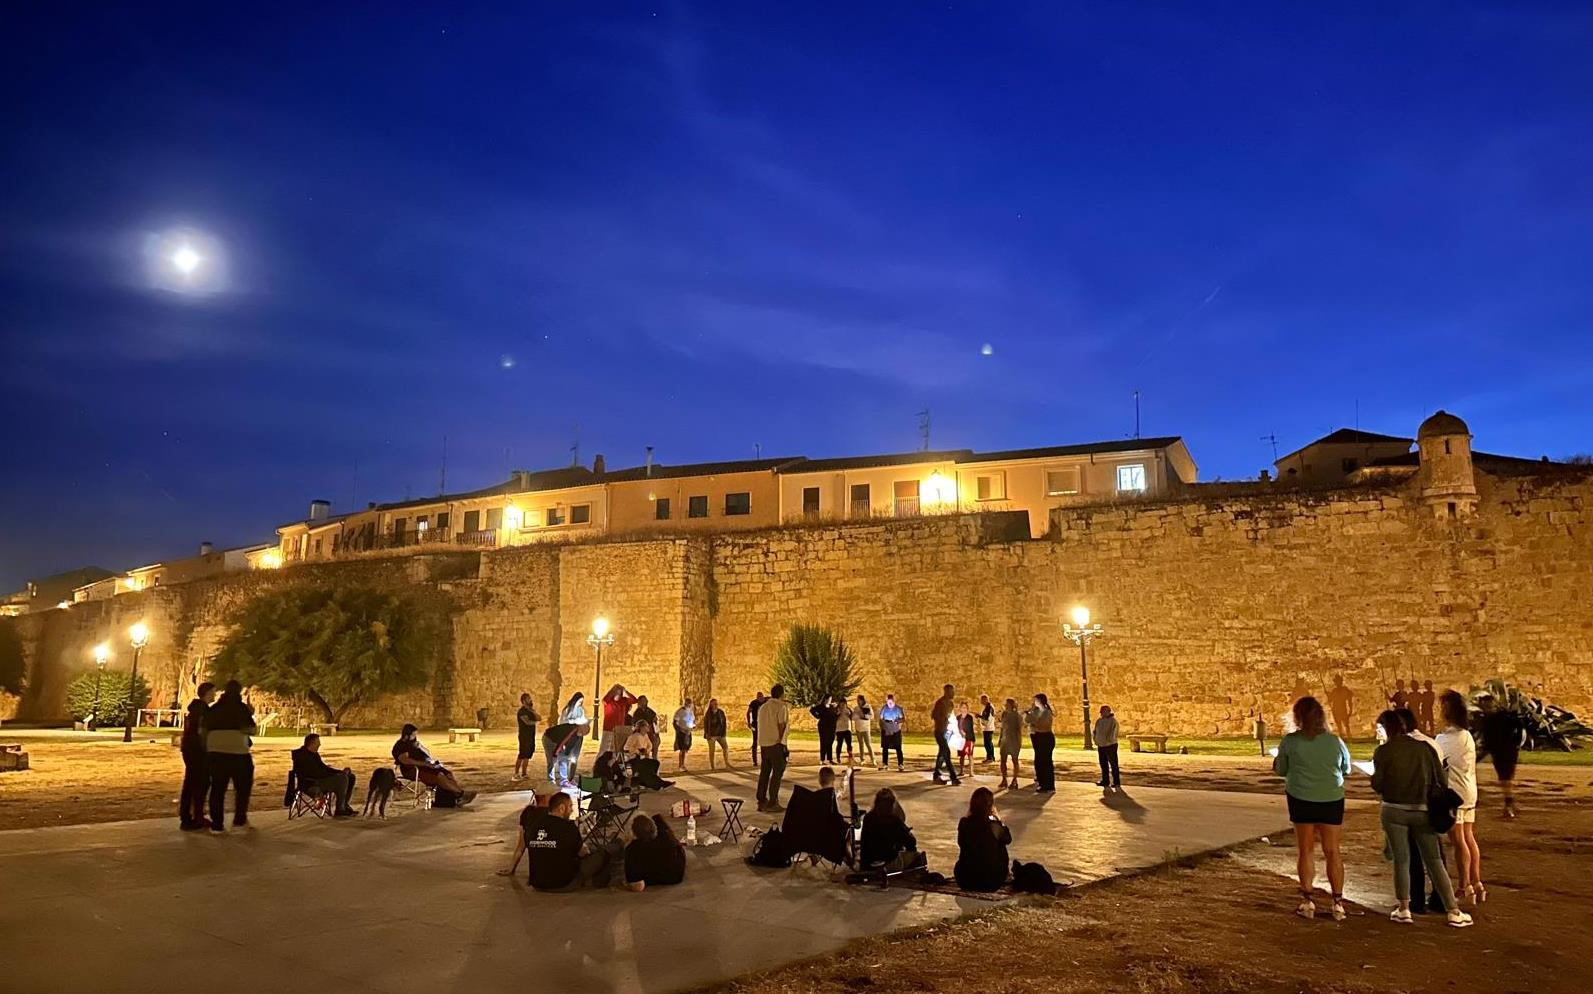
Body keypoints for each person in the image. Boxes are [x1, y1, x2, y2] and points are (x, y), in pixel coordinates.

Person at [1371, 709, 1472, 927]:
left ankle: (1404, 908)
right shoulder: (1424, 747)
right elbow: (1441, 780)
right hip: (1422, 809)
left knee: (1402, 860)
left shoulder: (1383, 751)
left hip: (1393, 809)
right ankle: (1453, 910)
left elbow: (1378, 784)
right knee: (1434, 860)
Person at [1273, 696, 1351, 920]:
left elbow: (1281, 769)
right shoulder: (1335, 742)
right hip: (1331, 798)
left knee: (1306, 849)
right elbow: (1345, 769)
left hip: (1301, 797)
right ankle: (1337, 902)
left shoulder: (1290, 742)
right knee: (1332, 850)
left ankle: (1307, 900)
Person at [499, 792, 605, 890]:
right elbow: (583, 853)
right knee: (605, 853)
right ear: (561, 808)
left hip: (538, 883)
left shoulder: (534, 825)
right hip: (562, 884)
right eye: (570, 807)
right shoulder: (568, 827)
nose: (572, 810)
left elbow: (522, 845)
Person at [1436, 690, 1484, 904]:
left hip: (1454, 793)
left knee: (1459, 841)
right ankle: (1477, 883)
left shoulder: (1447, 739)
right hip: (1469, 789)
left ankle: (1464, 886)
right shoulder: (1466, 736)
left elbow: (1437, 762)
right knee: (1469, 837)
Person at [1398, 707, 1445, 914]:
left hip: (1409, 804)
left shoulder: (1402, 747)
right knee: (1435, 855)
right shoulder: (1431, 743)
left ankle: (1416, 901)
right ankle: (1440, 898)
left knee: (1412, 855)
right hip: (1432, 805)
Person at [203, 680, 257, 832]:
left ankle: (217, 823)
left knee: (217, 789)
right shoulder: (241, 708)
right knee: (243, 788)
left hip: (216, 752)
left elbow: (205, 729)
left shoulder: (214, 709)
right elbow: (251, 730)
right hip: (238, 752)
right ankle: (239, 820)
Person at [393, 723, 476, 805]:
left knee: (448, 774)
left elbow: (428, 754)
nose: (415, 737)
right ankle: (461, 794)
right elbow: (406, 761)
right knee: (439, 776)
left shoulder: (414, 744)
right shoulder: (401, 746)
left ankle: (457, 796)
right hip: (414, 770)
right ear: (406, 735)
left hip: (426, 765)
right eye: (413, 735)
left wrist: (421, 747)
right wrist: (425, 764)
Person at [954, 787, 1012, 892]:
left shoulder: (964, 823)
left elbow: (961, 843)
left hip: (965, 880)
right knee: (1000, 842)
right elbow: (1008, 839)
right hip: (991, 882)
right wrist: (999, 819)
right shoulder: (994, 826)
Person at [178, 682, 216, 831]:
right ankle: (194, 817)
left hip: (189, 748)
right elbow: (202, 731)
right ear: (207, 693)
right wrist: (206, 749)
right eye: (213, 692)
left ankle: (190, 815)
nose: (214, 694)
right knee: (200, 783)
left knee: (191, 782)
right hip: (197, 750)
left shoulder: (195, 709)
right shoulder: (203, 711)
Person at [1478, 694, 1522, 820]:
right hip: (1503, 751)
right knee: (1506, 779)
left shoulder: (1499, 717)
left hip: (1504, 751)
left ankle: (1509, 806)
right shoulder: (1499, 716)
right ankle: (1510, 804)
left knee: (1505, 779)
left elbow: (1518, 726)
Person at [290, 733, 357, 817]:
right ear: (312, 743)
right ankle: (340, 809)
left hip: (320, 780)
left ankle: (344, 805)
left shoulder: (314, 754)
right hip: (311, 784)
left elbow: (324, 768)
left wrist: (340, 772)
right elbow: (314, 774)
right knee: (342, 779)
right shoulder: (302, 757)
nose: (320, 744)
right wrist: (336, 775)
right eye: (318, 742)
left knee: (350, 777)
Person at [860, 787, 924, 872]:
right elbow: (911, 842)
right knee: (918, 856)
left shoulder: (868, 817)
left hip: (867, 863)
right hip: (886, 863)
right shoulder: (893, 820)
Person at [624, 814, 687, 891]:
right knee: (658, 818)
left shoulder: (632, 849)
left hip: (652, 879)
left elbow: (634, 882)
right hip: (675, 877)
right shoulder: (667, 839)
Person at [755, 684, 791, 812]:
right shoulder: (781, 706)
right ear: (782, 694)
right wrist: (782, 743)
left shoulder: (763, 707)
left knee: (765, 772)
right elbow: (781, 725)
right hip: (776, 743)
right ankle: (773, 801)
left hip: (764, 744)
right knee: (777, 773)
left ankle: (761, 800)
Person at [931, 684, 961, 785]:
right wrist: (943, 720)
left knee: (942, 755)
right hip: (939, 732)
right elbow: (934, 715)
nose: (953, 693)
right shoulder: (940, 703)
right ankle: (953, 777)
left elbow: (951, 717)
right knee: (946, 753)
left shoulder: (950, 704)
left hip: (946, 732)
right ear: (946, 692)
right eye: (951, 691)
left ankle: (936, 775)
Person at [1026, 693, 1055, 792]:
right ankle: (1042, 782)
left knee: (1045, 762)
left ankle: (1047, 785)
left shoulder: (1046, 712)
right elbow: (1028, 721)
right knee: (1039, 761)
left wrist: (1034, 724)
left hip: (1045, 738)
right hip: (1038, 737)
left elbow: (1044, 726)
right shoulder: (1037, 711)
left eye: (1036, 701)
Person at [600, 684, 637, 755]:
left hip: (619, 730)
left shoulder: (624, 701)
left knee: (615, 750)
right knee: (604, 749)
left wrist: (626, 691)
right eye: (616, 691)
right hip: (608, 729)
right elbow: (604, 700)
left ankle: (612, 764)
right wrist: (612, 690)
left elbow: (634, 700)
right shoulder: (609, 701)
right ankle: (598, 764)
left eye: (619, 691)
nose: (617, 693)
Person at [513, 693, 542, 782]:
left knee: (528, 755)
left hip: (531, 735)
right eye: (528, 699)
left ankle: (524, 773)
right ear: (524, 701)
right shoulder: (522, 712)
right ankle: (516, 774)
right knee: (522, 754)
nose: (530, 700)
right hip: (524, 736)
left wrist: (532, 711)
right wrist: (534, 721)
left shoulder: (530, 711)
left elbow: (539, 718)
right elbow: (527, 722)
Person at [1094, 704, 1121, 790]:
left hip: (1110, 745)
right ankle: (1105, 781)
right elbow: (1095, 731)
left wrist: (1109, 740)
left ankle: (1116, 782)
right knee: (1103, 764)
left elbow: (1113, 732)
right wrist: (1096, 740)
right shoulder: (1099, 721)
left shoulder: (1113, 721)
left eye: (1103, 711)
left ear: (1108, 711)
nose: (1101, 713)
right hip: (1101, 745)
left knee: (1113, 764)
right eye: (1101, 711)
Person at [998, 697, 1024, 789]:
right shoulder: (1004, 714)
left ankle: (1015, 780)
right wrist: (1000, 738)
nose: (1005, 705)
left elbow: (1019, 729)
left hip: (1013, 740)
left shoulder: (1017, 715)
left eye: (1007, 704)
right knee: (1003, 760)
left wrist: (1018, 741)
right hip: (1005, 739)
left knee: (1014, 760)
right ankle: (1004, 779)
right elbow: (1002, 727)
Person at [879, 694, 905, 771]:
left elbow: (903, 719)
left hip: (895, 729)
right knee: (885, 747)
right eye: (888, 702)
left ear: (894, 701)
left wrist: (897, 721)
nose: (889, 704)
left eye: (891, 702)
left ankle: (900, 764)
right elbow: (881, 718)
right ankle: (885, 764)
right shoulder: (884, 708)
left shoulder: (898, 708)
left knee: (898, 747)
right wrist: (883, 726)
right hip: (886, 729)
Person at [703, 698, 730, 770]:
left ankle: (727, 763)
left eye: (716, 703)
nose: (716, 705)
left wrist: (724, 733)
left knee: (725, 747)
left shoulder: (721, 712)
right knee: (712, 750)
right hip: (711, 735)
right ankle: (712, 766)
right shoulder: (708, 713)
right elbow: (706, 724)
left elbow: (724, 723)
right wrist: (707, 733)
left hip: (720, 734)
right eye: (714, 703)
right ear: (711, 705)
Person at [811, 696, 838, 765]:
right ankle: (822, 759)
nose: (830, 700)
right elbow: (812, 710)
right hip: (823, 726)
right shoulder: (821, 706)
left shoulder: (832, 707)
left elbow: (835, 715)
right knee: (823, 742)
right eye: (829, 699)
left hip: (832, 727)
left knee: (830, 742)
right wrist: (818, 716)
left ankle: (830, 759)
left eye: (831, 699)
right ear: (825, 699)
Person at [632, 695, 660, 760]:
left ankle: (654, 760)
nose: (646, 702)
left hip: (651, 733)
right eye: (643, 701)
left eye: (646, 700)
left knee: (655, 744)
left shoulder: (650, 711)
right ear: (639, 702)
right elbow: (635, 724)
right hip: (642, 734)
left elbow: (655, 721)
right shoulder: (637, 712)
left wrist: (656, 732)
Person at [671, 698, 695, 772]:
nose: (689, 704)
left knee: (685, 749)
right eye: (688, 703)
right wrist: (681, 730)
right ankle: (681, 765)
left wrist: (692, 727)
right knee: (682, 749)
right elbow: (675, 722)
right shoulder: (679, 711)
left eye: (690, 703)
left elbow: (692, 720)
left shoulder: (691, 711)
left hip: (688, 732)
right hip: (682, 732)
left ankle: (682, 764)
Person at [851, 695, 875, 767]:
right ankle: (862, 759)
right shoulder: (856, 708)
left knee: (868, 744)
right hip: (858, 728)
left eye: (859, 700)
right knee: (861, 744)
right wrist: (858, 715)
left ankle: (873, 759)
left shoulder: (868, 706)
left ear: (862, 700)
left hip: (866, 728)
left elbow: (871, 716)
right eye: (857, 700)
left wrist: (864, 716)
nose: (858, 702)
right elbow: (853, 717)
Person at [746, 691, 766, 767]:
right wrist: (749, 723)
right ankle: (755, 761)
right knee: (755, 742)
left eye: (761, 697)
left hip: (764, 725)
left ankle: (764, 760)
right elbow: (748, 712)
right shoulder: (754, 703)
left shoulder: (766, 702)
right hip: (756, 724)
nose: (760, 698)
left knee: (764, 742)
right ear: (757, 697)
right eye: (759, 697)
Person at [956, 702, 975, 777]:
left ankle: (971, 771)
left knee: (970, 755)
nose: (963, 709)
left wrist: (964, 732)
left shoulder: (969, 717)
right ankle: (961, 771)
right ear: (960, 708)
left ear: (967, 709)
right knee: (962, 755)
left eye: (965, 708)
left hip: (969, 738)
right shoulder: (958, 718)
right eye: (962, 707)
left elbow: (969, 727)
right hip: (960, 739)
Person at [834, 698, 855, 764]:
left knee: (849, 744)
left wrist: (850, 714)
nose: (843, 705)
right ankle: (838, 758)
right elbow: (834, 718)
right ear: (839, 704)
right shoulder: (837, 710)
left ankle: (850, 757)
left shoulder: (848, 710)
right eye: (841, 703)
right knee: (839, 744)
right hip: (839, 729)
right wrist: (838, 714)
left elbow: (852, 718)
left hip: (847, 728)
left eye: (844, 703)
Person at [978, 694, 997, 764]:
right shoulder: (988, 707)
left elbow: (986, 718)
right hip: (988, 727)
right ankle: (991, 757)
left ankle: (990, 757)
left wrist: (979, 716)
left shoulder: (988, 707)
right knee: (989, 743)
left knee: (987, 743)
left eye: (982, 700)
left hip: (988, 728)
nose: (981, 701)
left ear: (985, 699)